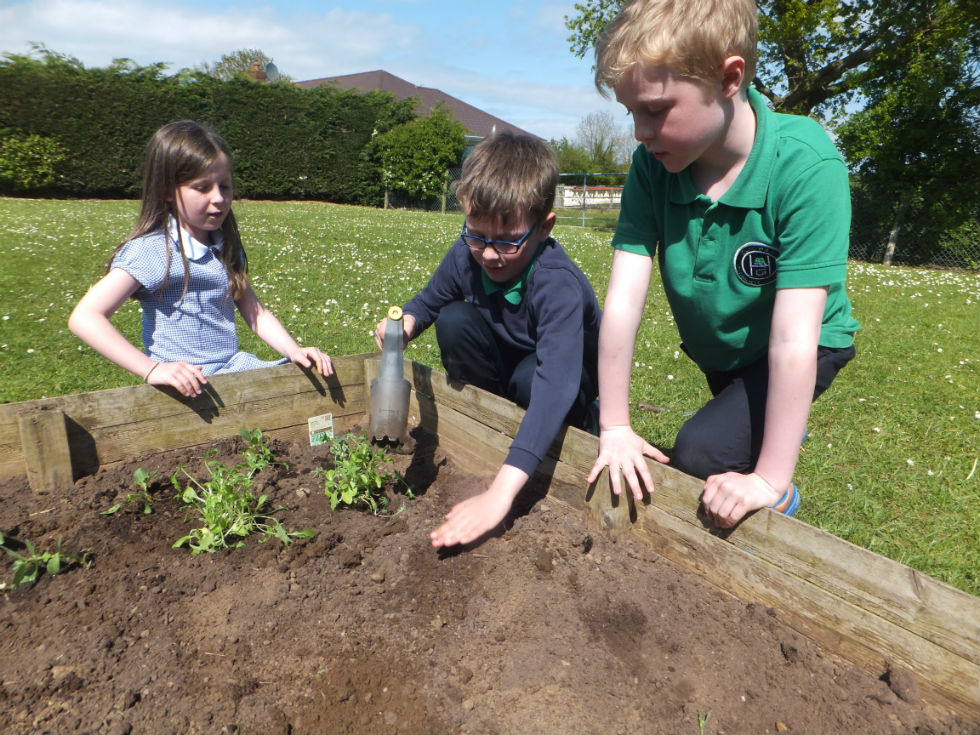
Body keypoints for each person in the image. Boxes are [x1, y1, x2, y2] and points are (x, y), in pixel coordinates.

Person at [586, 0, 859, 528]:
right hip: (724, 347)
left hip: (804, 341)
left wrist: (768, 480)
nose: (640, 132)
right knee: (724, 433)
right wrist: (615, 426)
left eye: (656, 110)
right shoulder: (652, 167)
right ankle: (762, 422)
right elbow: (622, 302)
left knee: (701, 454)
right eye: (631, 112)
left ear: (729, 78)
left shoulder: (806, 165)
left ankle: (781, 484)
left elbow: (793, 339)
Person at [374, 132, 602, 548]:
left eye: (507, 241)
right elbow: (429, 301)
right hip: (507, 367)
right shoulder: (467, 255)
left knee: (531, 380)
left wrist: (500, 493)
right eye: (477, 235)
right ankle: (494, 427)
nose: (490, 254)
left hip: (565, 381)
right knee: (454, 320)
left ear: (544, 227)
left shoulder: (557, 284)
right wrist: (406, 323)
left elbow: (556, 382)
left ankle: (566, 432)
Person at [69, 120, 333, 398]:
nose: (218, 198)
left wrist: (293, 350)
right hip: (185, 389)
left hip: (230, 374)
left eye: (225, 186)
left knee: (307, 385)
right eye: (203, 187)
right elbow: (86, 317)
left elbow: (255, 312)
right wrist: (153, 369)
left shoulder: (223, 246)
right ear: (167, 190)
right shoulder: (153, 250)